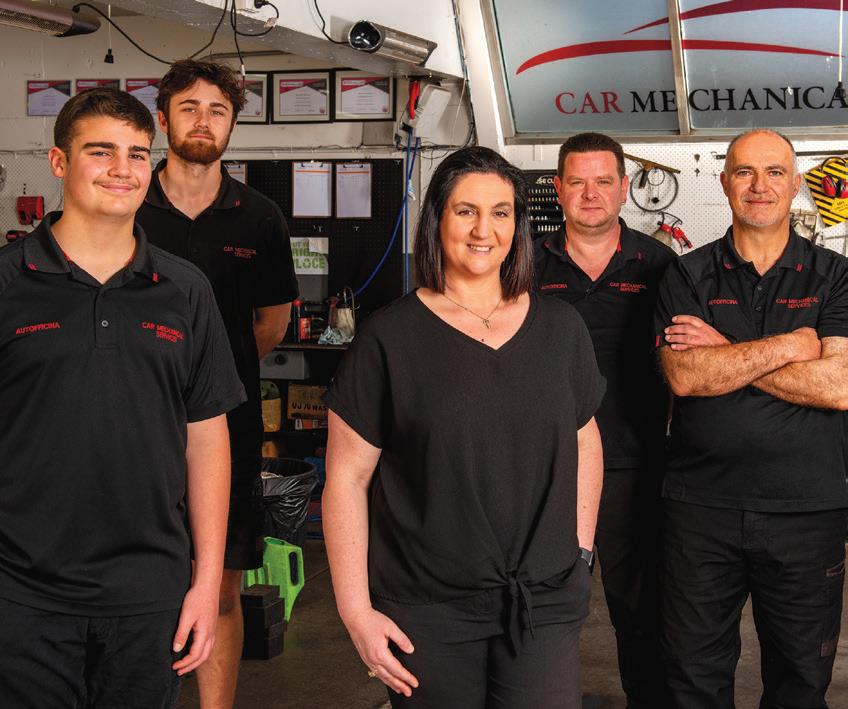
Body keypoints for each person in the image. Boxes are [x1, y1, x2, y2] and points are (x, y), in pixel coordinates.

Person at [322, 146, 605, 708]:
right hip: (427, 609)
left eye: (500, 212)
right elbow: (347, 479)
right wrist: (355, 611)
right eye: (466, 211)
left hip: (542, 601)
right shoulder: (390, 338)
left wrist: (580, 553)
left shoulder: (560, 328)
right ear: (437, 220)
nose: (483, 230)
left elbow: (585, 438)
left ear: (517, 226)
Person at [0, 88, 245, 708]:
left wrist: (206, 583)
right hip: (21, 593)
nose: (122, 169)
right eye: (101, 151)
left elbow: (206, 441)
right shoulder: (5, 283)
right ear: (59, 162)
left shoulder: (185, 291)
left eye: (137, 154)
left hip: (150, 594)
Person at [655, 129, 848, 708]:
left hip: (807, 511)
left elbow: (838, 386)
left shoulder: (836, 276)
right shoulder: (686, 274)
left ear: (795, 184)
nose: (759, 186)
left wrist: (723, 349)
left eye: (773, 172)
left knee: (800, 680)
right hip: (700, 509)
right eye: (744, 172)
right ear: (724, 183)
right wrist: (790, 346)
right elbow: (686, 377)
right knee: (692, 677)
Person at [136, 59, 299, 709]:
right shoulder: (128, 205)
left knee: (222, 588)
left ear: (232, 124)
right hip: (133, 429)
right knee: (140, 589)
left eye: (218, 111)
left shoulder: (259, 217)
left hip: (228, 432)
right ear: (163, 118)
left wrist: (207, 383)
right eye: (190, 108)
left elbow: (272, 323)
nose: (203, 122)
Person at [534, 132, 675, 708]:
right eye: (577, 182)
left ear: (622, 188)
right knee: (540, 606)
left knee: (641, 613)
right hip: (540, 468)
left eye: (603, 181)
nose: (590, 194)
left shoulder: (660, 264)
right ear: (558, 189)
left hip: (633, 467)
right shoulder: (524, 262)